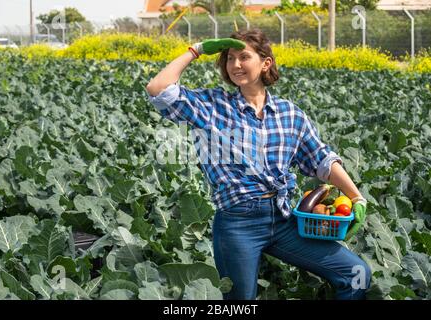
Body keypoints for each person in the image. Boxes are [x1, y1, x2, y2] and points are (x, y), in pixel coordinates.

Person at [146, 29, 371, 300]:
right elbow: (159, 89)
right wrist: (197, 49)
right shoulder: (212, 106)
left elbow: (321, 160)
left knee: (356, 273)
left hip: (286, 219)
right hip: (237, 223)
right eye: (230, 58)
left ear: (266, 63)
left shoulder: (290, 114)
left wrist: (356, 197)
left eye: (244, 57)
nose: (236, 65)